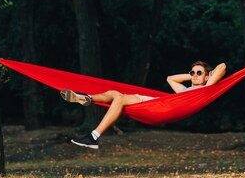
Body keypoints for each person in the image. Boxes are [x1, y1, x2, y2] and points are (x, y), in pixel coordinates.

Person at [61, 61, 226, 149]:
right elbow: (170, 78)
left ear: (207, 76)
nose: (194, 75)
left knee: (119, 99)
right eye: (192, 72)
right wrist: (192, 77)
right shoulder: (186, 89)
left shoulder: (205, 90)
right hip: (156, 103)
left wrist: (209, 80)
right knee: (114, 93)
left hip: (160, 108)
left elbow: (222, 66)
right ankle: (88, 97)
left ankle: (93, 137)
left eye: (199, 73)